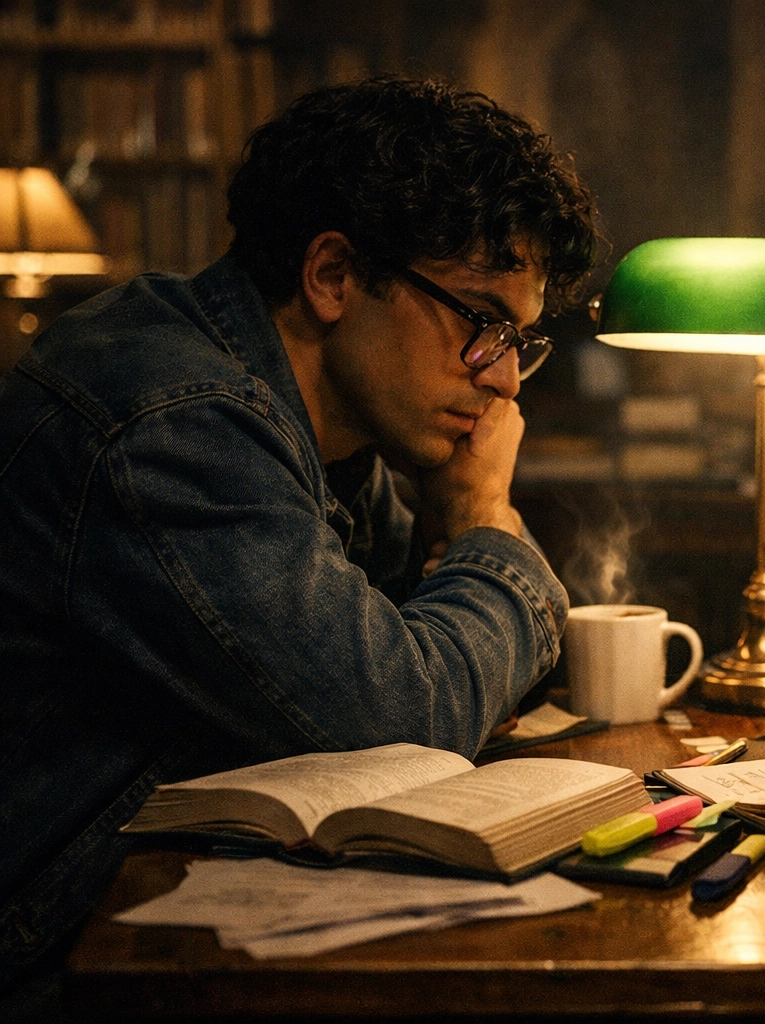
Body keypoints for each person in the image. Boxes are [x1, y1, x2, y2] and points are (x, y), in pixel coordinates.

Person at [0, 77, 599, 993]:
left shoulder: (323, 429)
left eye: (520, 339)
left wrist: (458, 572)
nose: (507, 379)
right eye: (483, 323)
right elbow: (405, 717)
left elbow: (418, 649)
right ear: (333, 275)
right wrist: (484, 522)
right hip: (49, 952)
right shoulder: (175, 422)